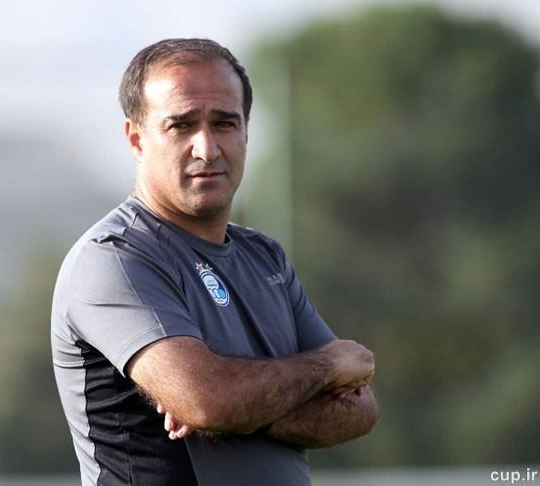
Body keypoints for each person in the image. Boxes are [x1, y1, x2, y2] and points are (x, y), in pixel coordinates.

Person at [51, 38, 378, 486]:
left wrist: (235, 407)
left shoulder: (265, 257)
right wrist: (326, 366)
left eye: (224, 123)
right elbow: (206, 401)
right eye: (181, 125)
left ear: (245, 133)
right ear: (136, 139)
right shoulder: (115, 258)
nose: (207, 148)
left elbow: (359, 409)